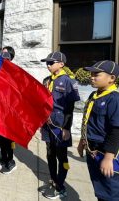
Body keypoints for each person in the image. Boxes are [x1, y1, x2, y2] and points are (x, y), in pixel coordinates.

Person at [39, 52, 80, 199]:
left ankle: (61, 186)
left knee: (61, 156)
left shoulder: (69, 81)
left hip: (60, 124)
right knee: (50, 153)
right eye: (47, 62)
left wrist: (66, 128)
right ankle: (54, 179)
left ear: (61, 64)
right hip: (47, 123)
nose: (48, 65)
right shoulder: (46, 80)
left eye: (52, 62)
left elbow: (69, 108)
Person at [77, 61, 119, 201]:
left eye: (97, 74)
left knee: (110, 191)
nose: (91, 77)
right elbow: (88, 120)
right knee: (99, 188)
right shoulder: (94, 96)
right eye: (91, 74)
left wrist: (108, 157)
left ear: (111, 78)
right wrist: (83, 141)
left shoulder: (114, 99)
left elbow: (116, 130)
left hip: (105, 153)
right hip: (92, 151)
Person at [0, 51, 17, 174]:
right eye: (2, 60)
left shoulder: (15, 75)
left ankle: (10, 161)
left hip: (10, 114)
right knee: (1, 138)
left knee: (8, 138)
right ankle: (3, 157)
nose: (4, 62)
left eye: (6, 60)